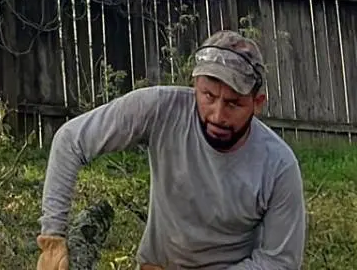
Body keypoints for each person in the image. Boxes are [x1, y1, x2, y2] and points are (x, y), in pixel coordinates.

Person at [37, 30, 305, 270]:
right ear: (195, 86)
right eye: (208, 96)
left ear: (257, 103)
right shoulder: (160, 109)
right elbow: (70, 141)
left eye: (233, 104)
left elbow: (279, 261)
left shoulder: (278, 166)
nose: (217, 114)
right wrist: (52, 237)